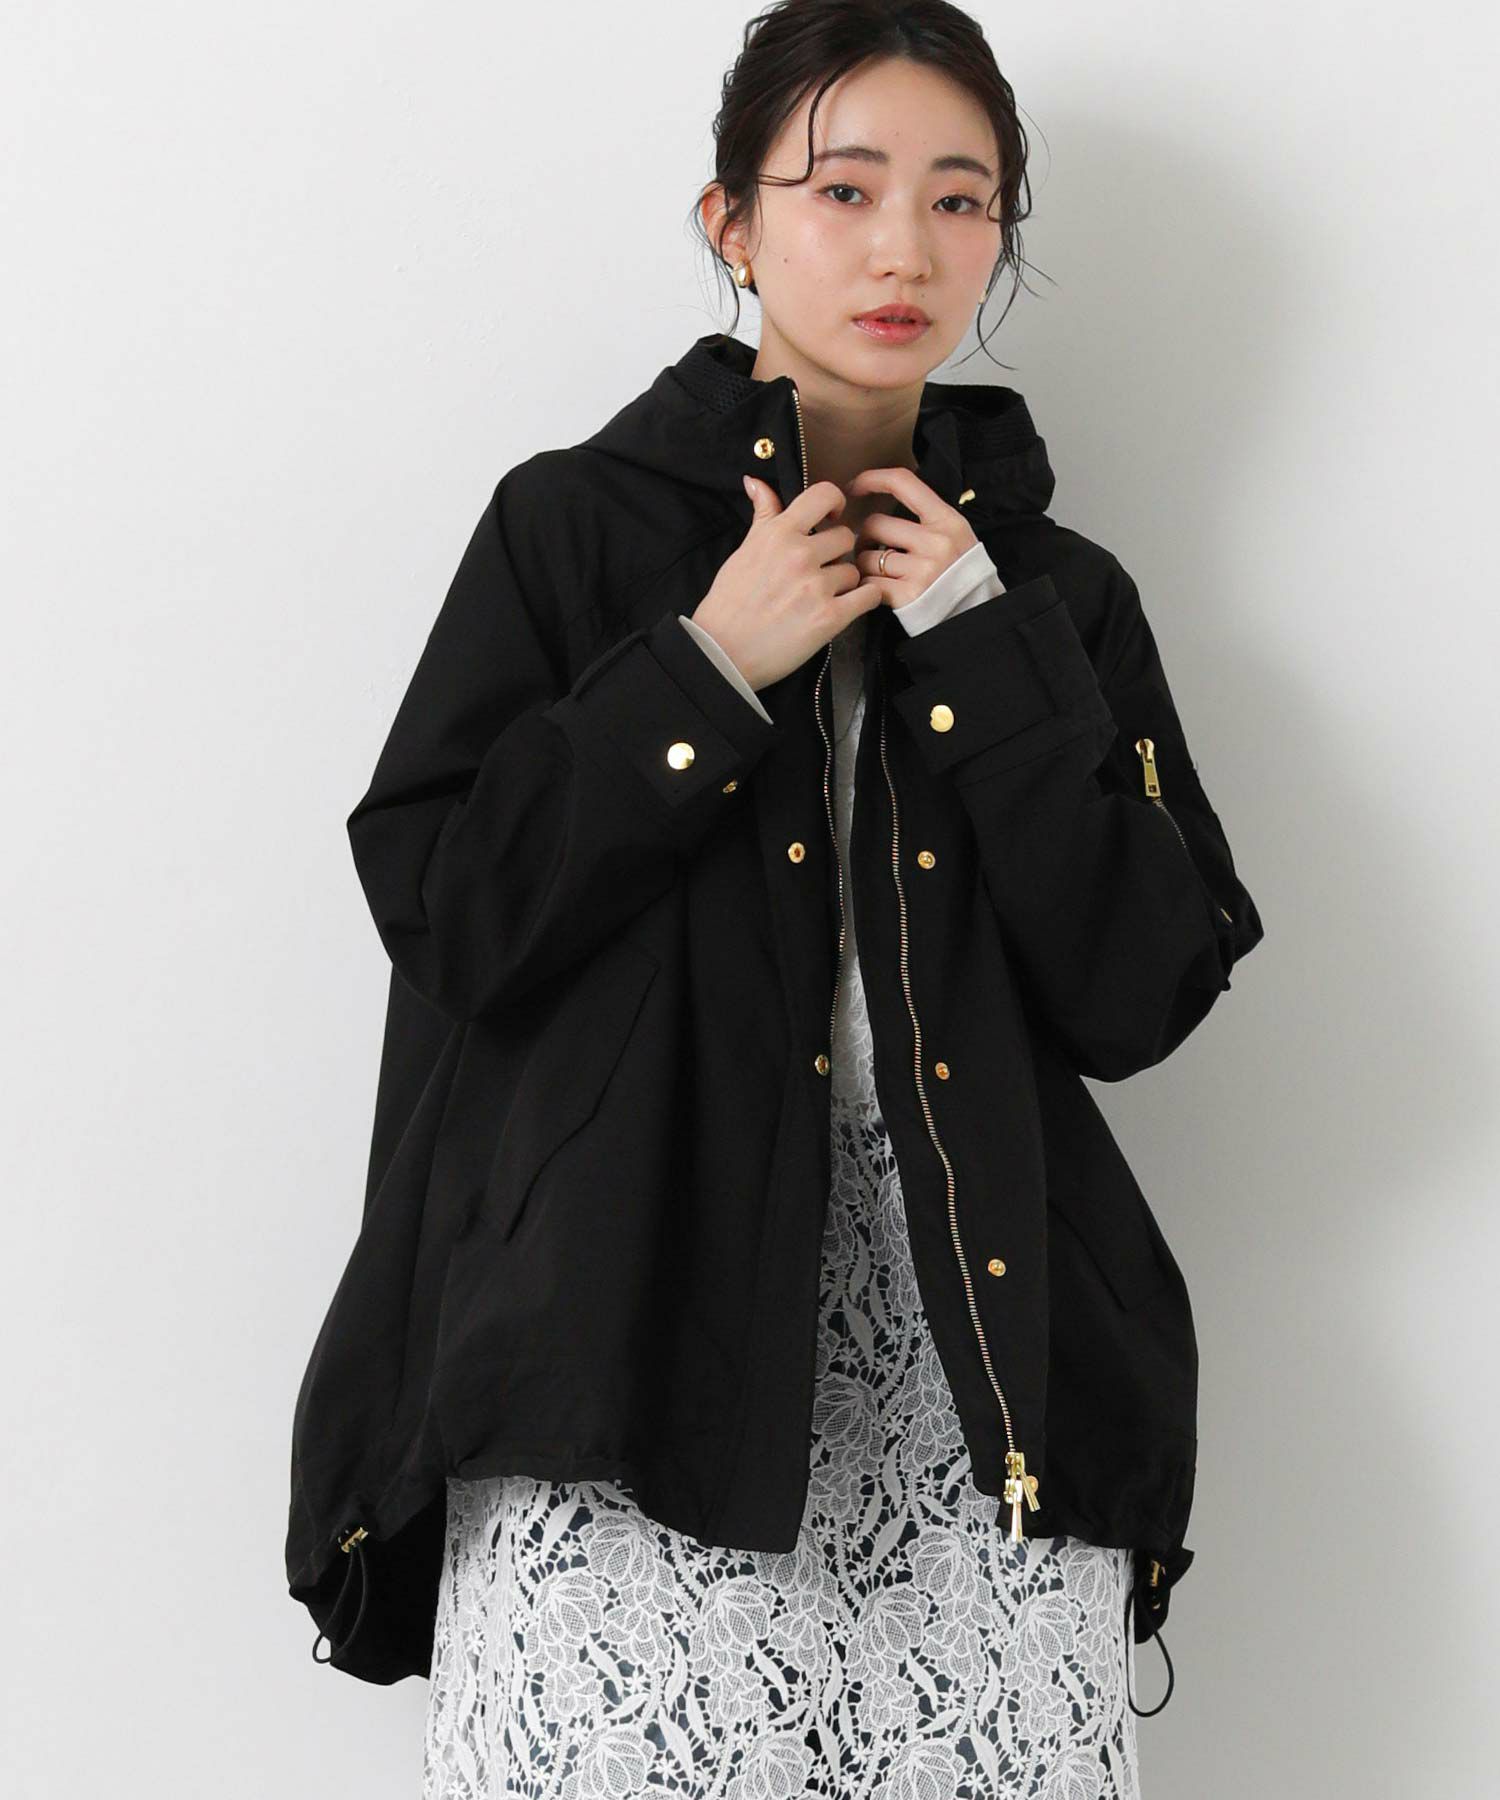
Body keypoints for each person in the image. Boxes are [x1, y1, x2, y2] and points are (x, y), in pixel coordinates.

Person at [286, 4, 1265, 1794]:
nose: (904, 250)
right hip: (626, 1368)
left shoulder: (1056, 595)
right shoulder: (572, 532)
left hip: (977, 1391)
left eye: (960, 200)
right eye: (844, 189)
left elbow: (1142, 992)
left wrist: (980, 648)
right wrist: (706, 669)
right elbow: (455, 918)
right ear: (732, 223)